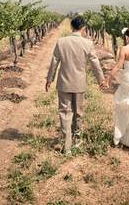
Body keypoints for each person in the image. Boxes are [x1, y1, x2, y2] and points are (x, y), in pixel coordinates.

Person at [45, 15, 106, 154]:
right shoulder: (88, 43)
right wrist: (101, 80)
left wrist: (49, 79)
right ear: (83, 28)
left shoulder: (61, 42)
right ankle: (77, 141)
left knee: (64, 113)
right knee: (78, 113)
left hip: (64, 83)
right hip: (79, 84)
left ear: (71, 27)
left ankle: (66, 146)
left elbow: (54, 62)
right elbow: (95, 63)